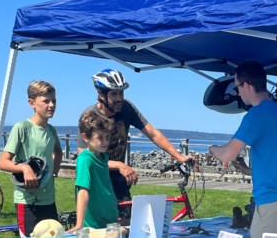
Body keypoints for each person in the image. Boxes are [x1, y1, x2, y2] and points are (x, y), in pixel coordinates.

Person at [207, 61, 277, 238]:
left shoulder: (257, 115)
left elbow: (227, 155)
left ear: (247, 86)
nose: (238, 93)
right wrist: (248, 170)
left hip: (272, 203)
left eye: (237, 87)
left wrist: (212, 150)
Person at [79, 68, 196, 216]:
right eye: (114, 93)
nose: (119, 98)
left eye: (121, 92)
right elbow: (83, 155)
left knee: (127, 225)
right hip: (98, 180)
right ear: (101, 95)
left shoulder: (126, 108)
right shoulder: (90, 117)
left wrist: (179, 157)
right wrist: (118, 164)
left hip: (120, 179)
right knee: (104, 229)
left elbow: (152, 133)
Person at [0, 80, 64, 238]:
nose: (51, 105)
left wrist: (53, 172)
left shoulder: (52, 131)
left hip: (48, 200)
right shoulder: (22, 128)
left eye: (54, 100)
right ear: (32, 103)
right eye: (46, 100)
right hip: (27, 202)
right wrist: (24, 167)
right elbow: (3, 162)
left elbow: (57, 151)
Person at [71, 108, 119, 230]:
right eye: (100, 137)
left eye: (107, 137)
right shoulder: (85, 159)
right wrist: (79, 224)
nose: (105, 142)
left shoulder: (103, 157)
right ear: (85, 137)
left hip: (109, 221)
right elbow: (83, 191)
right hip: (93, 226)